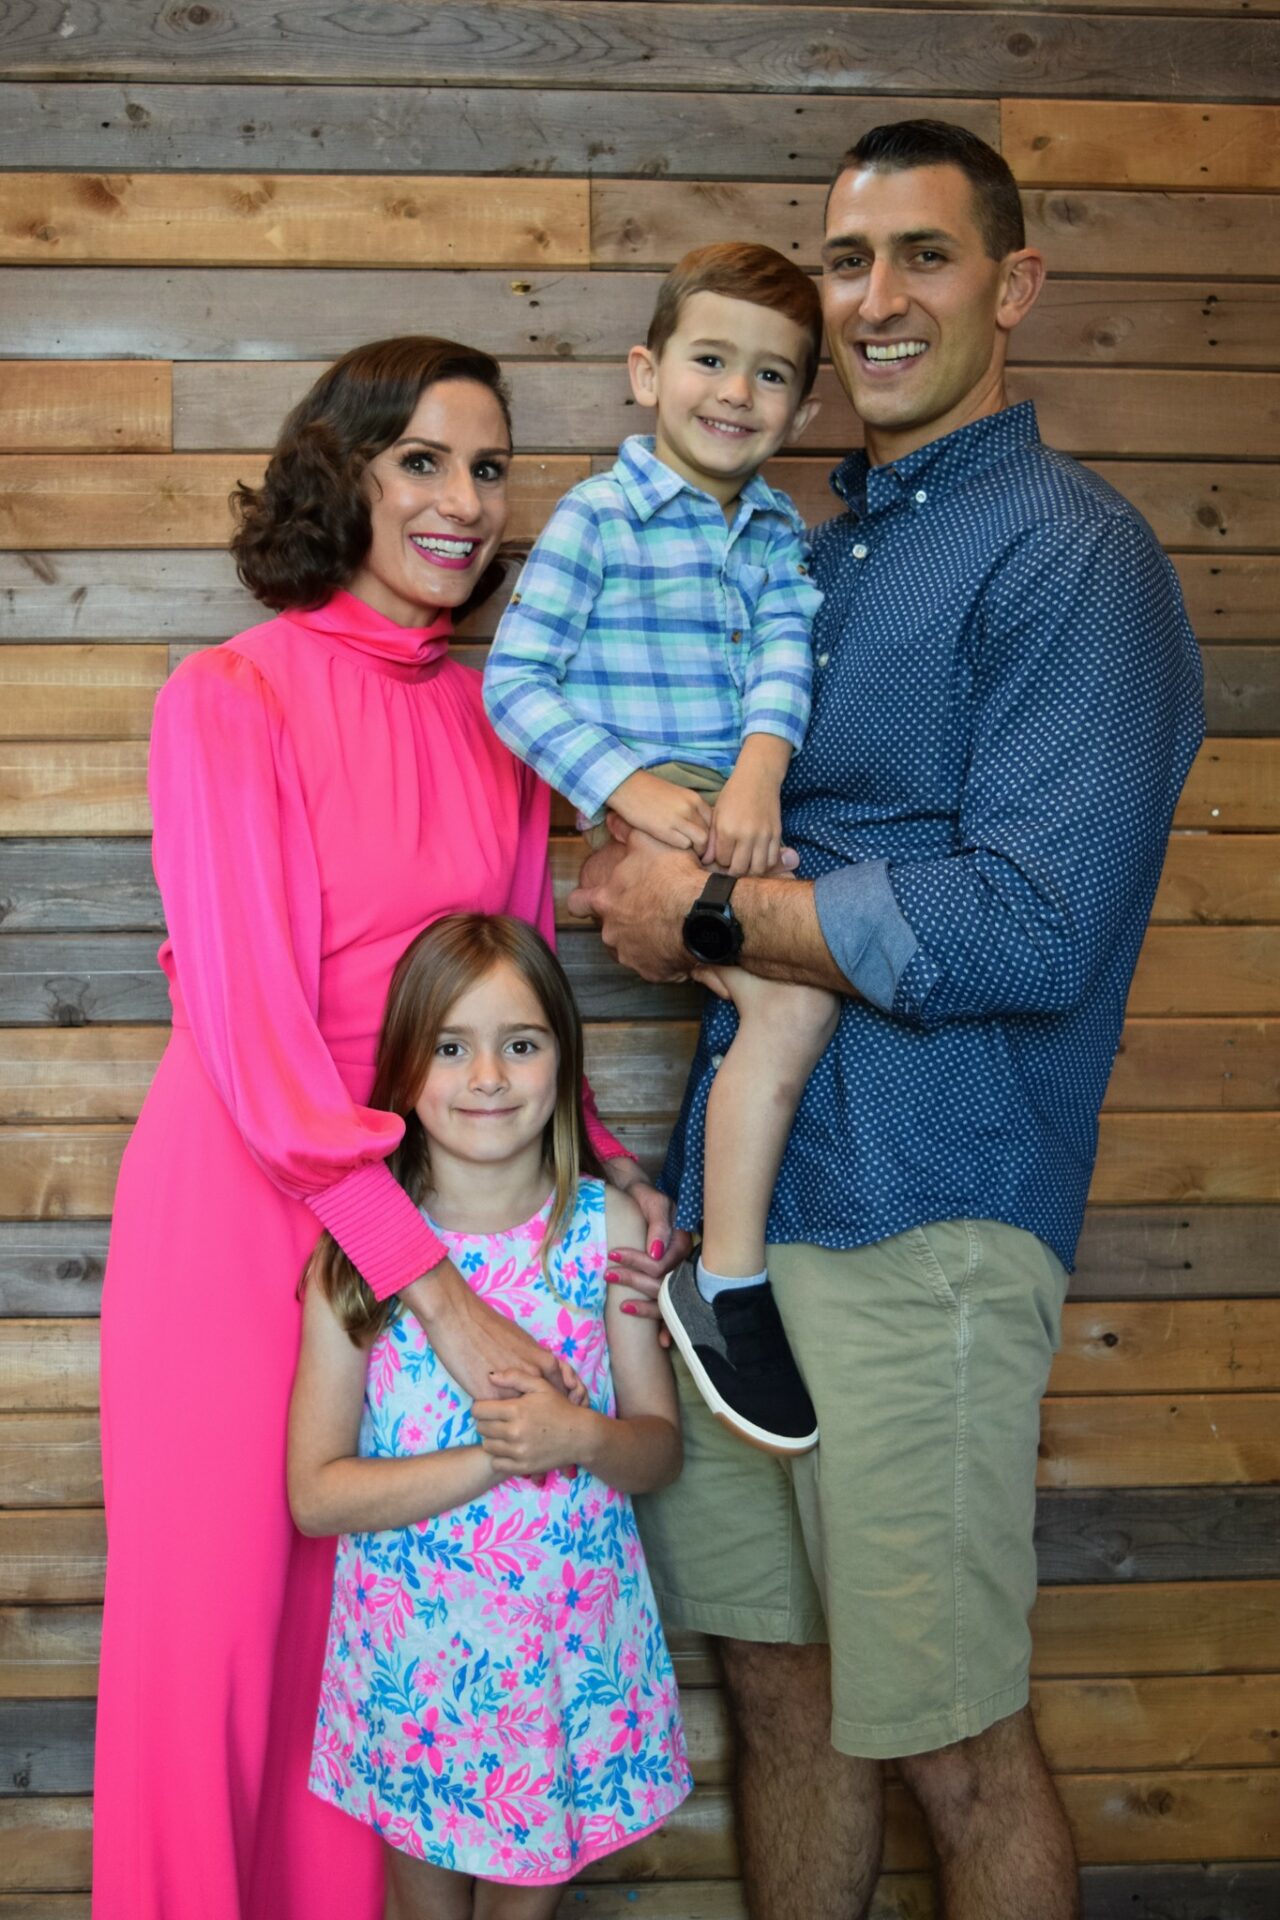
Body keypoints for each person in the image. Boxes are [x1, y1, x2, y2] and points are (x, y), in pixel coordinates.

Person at [574, 122, 1205, 1920]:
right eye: (848, 262)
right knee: (783, 1701)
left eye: (925, 255)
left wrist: (702, 914)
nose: (878, 298)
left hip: (927, 1223)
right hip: (740, 1247)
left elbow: (1032, 921)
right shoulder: (809, 551)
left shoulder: (1074, 554)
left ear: (1014, 286)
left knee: (953, 1739)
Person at [93, 337, 670, 1920]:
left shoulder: (498, 728)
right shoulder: (228, 698)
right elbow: (256, 1034)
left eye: (489, 469)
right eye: (422, 460)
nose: (463, 501)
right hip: (242, 1219)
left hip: (439, 1219)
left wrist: (614, 1178)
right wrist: (441, 1299)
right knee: (217, 1642)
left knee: (391, 1629)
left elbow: (513, 1000)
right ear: (339, 476)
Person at [484, 243, 838, 1456]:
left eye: (770, 375)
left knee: (794, 997)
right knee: (793, 1003)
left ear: (802, 410)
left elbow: (783, 661)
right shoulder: (598, 517)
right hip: (644, 802)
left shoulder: (777, 533)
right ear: (647, 372)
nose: (735, 393)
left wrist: (758, 773)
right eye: (709, 361)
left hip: (736, 798)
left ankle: (719, 1262)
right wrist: (628, 790)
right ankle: (726, 1278)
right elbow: (515, 684)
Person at [288, 913, 691, 1917]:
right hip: (416, 1674)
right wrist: (497, 1455)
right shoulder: (360, 1262)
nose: (487, 1078)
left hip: (565, 1659)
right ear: (403, 1071)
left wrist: (583, 1438)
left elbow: (657, 1451)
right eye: (450, 1048)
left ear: (563, 1059)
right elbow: (315, 1495)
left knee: (527, 1904)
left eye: (520, 1044)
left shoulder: (607, 1234)